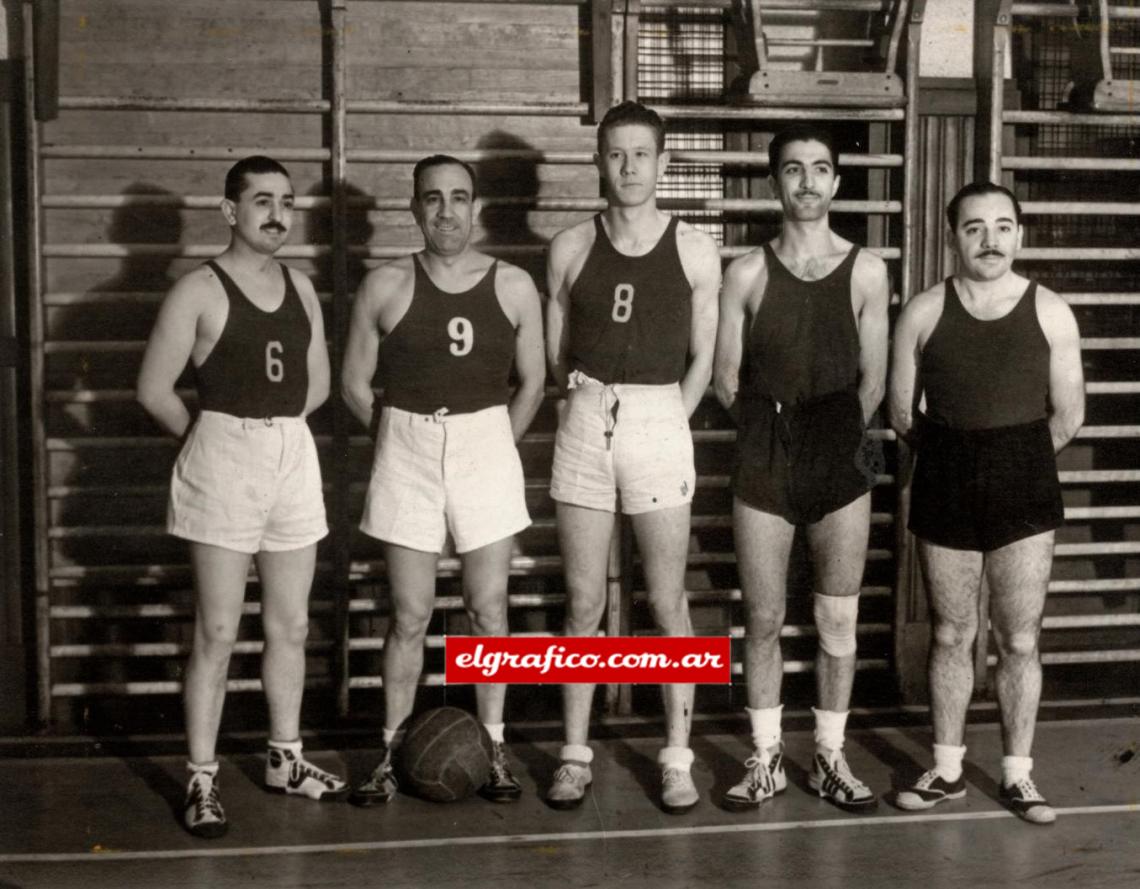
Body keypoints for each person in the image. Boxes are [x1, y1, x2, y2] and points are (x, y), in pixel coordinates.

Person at [137, 155, 347, 839]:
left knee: (290, 625)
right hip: (222, 452)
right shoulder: (197, 290)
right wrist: (211, 436)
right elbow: (153, 389)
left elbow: (315, 385)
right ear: (230, 211)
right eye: (261, 201)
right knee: (219, 629)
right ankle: (202, 776)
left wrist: (273, 428)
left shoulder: (303, 286)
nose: (277, 214)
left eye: (286, 201)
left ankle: (286, 757)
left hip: (291, 450)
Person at [341, 155, 545, 806]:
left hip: (486, 441)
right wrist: (403, 441)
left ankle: (495, 744)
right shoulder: (385, 284)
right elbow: (351, 383)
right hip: (407, 442)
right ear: (415, 208)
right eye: (433, 199)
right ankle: (387, 751)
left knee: (488, 608)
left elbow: (535, 380)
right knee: (410, 614)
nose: (447, 211)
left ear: (476, 207)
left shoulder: (513, 284)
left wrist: (490, 442)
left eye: (459, 198)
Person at [544, 101, 721, 814]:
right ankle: (574, 755)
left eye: (641, 154)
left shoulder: (695, 249)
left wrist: (664, 416)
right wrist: (594, 406)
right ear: (598, 162)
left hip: (659, 414)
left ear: (664, 163)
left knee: (666, 597)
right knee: (584, 601)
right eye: (615, 154)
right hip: (588, 413)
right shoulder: (568, 247)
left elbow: (704, 357)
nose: (628, 167)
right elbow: (559, 356)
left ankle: (676, 758)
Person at [889, 181, 1084, 825]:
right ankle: (947, 769)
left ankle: (1018, 775)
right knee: (950, 632)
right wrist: (957, 456)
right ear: (954, 237)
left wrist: (1012, 461)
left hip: (1023, 476)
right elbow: (899, 410)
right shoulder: (922, 311)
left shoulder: (1051, 310)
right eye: (974, 227)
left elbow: (1069, 416)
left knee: (1020, 638)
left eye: (1003, 226)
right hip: (946, 470)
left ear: (1020, 236)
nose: (990, 239)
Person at [713, 125, 890, 813]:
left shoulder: (869, 270)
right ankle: (765, 760)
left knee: (837, 617)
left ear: (837, 182)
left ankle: (829, 756)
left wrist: (831, 437)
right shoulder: (746, 272)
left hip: (842, 444)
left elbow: (874, 383)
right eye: (793, 169)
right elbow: (726, 380)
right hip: (766, 443)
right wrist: (773, 432)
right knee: (762, 616)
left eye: (821, 169)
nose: (808, 182)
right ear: (773, 182)